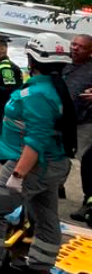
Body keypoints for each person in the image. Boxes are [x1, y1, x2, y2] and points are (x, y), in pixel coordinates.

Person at [0, 33, 78, 274]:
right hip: (51, 164)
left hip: (32, 166)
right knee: (44, 214)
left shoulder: (38, 95)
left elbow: (36, 140)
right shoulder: (53, 88)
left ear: (32, 59)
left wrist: (18, 175)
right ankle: (40, 267)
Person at [65, 35, 92, 222]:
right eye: (74, 44)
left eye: (81, 47)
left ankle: (88, 201)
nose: (75, 48)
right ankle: (55, 188)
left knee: (87, 160)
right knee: (58, 154)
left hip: (85, 121)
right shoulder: (64, 65)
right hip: (63, 120)